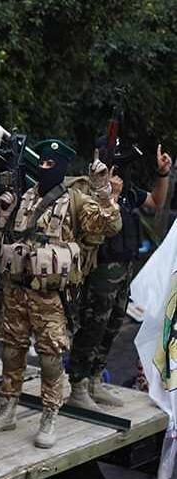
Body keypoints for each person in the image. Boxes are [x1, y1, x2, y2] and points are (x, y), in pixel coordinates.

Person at [0, 139, 122, 448]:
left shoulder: (75, 200)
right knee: (11, 351)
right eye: (42, 163)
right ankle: (8, 408)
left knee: (50, 358)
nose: (45, 168)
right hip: (16, 291)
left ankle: (49, 414)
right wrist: (2, 219)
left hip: (50, 295)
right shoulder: (23, 197)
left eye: (51, 164)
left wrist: (103, 191)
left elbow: (111, 226)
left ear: (62, 168)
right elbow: (1, 245)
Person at [67, 143, 173, 410]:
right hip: (101, 270)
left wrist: (162, 175)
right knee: (92, 327)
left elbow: (156, 203)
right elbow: (92, 223)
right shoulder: (88, 191)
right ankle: (78, 386)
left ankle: (94, 379)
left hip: (124, 269)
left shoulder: (127, 191)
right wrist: (109, 195)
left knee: (112, 326)